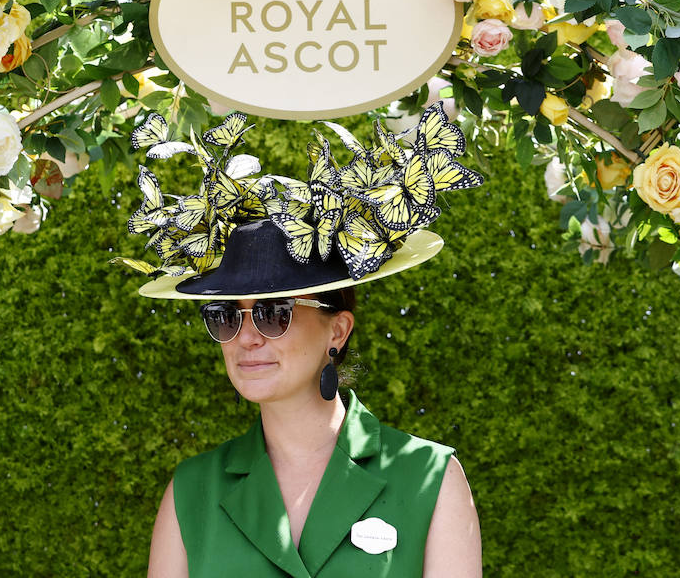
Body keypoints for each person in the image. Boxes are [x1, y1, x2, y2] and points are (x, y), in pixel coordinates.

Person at [141, 218, 483, 577]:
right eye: (226, 316)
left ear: (337, 331)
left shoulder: (429, 477)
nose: (246, 338)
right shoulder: (192, 490)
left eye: (273, 313)